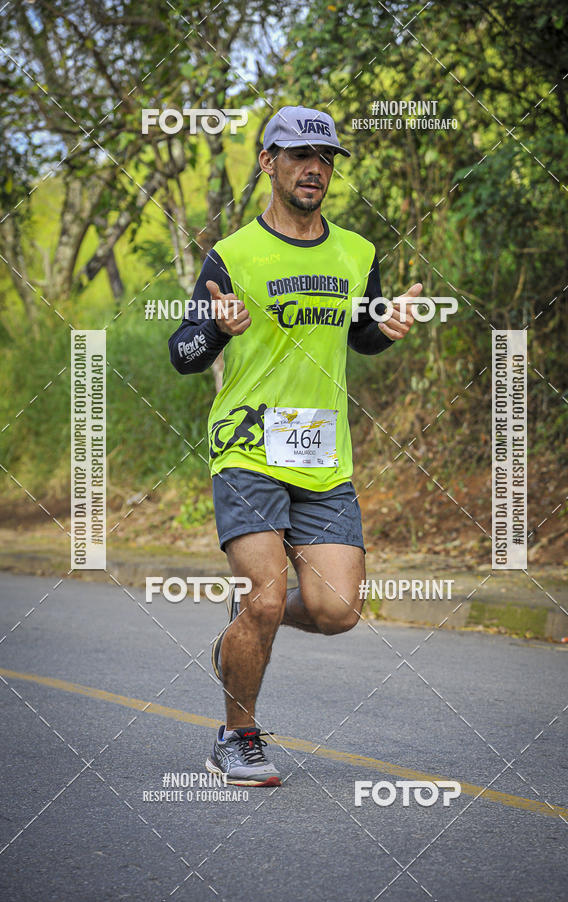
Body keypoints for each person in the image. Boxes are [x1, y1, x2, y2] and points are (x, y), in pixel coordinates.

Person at [169, 105, 420, 786]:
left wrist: (385, 326)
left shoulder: (358, 252)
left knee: (338, 611)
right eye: (300, 155)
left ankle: (244, 622)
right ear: (268, 163)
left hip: (321, 456)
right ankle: (237, 735)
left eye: (326, 157)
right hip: (247, 448)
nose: (316, 168)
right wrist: (216, 329)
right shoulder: (233, 254)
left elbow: (359, 334)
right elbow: (183, 353)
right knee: (269, 597)